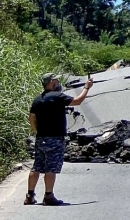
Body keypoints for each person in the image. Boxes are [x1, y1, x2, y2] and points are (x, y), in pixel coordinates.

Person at [24, 73, 93, 206]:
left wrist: (36, 130)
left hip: (41, 138)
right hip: (55, 138)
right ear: (51, 83)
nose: (58, 82)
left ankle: (29, 196)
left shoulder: (38, 99)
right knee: (51, 167)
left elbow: (31, 117)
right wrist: (86, 87)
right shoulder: (57, 96)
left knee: (36, 166)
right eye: (56, 80)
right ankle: (48, 196)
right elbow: (77, 101)